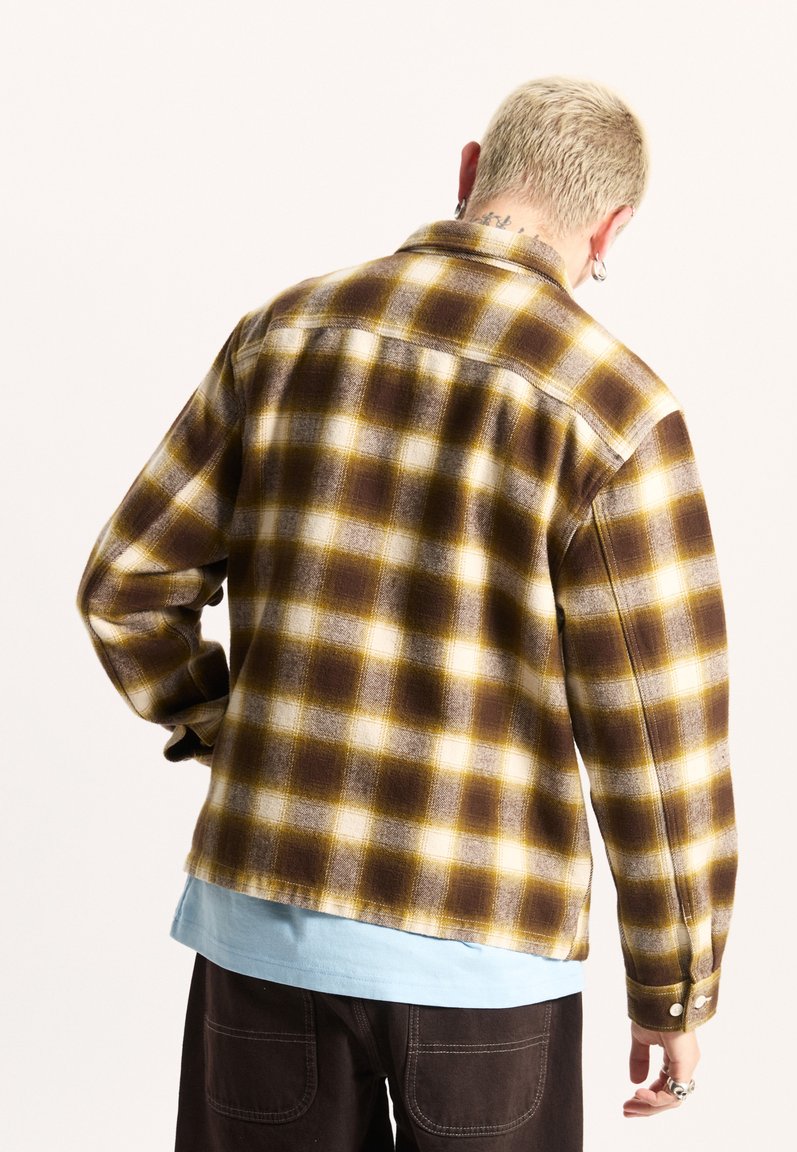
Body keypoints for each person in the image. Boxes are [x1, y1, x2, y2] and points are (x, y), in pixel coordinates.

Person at [75, 75, 738, 1150]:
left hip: (263, 936)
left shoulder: (283, 335)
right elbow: (659, 743)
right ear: (610, 229)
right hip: (486, 957)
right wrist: (673, 987)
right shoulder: (613, 409)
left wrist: (230, 732)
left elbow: (126, 586)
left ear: (471, 171)